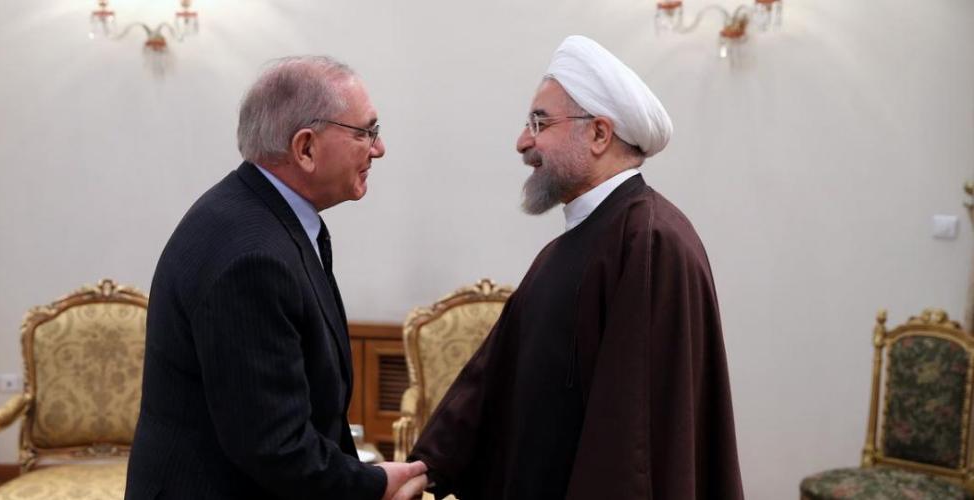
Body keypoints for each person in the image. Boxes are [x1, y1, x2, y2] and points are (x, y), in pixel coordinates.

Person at [409, 36, 743, 499]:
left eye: (540, 123)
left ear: (599, 134)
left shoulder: (649, 242)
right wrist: (429, 466)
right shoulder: (566, 248)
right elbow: (495, 376)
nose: (523, 142)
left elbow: (634, 438)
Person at [125, 56, 427, 500]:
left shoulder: (262, 216)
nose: (378, 148)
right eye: (365, 132)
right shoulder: (252, 256)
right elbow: (273, 445)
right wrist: (375, 485)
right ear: (305, 148)